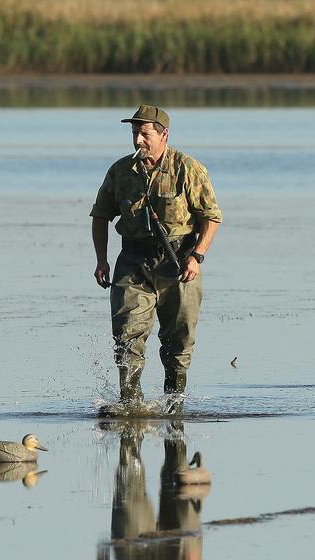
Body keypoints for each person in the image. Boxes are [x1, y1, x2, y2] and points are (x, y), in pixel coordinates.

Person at [91, 105, 222, 411]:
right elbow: (100, 216)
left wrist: (197, 257)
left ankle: (174, 406)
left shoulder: (188, 168)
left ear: (164, 135)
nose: (138, 140)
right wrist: (101, 260)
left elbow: (211, 218)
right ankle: (130, 406)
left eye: (145, 134)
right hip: (133, 266)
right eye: (135, 133)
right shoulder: (121, 171)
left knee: (179, 344)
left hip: (180, 266)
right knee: (127, 338)